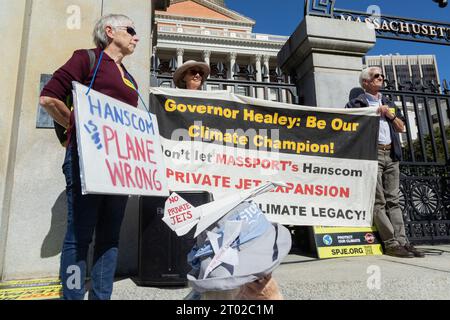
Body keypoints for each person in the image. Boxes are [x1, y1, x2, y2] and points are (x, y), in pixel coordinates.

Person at [39, 14, 140, 299]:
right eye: (131, 30)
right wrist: (79, 125)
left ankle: (101, 296)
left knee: (110, 238)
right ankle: (72, 295)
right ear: (109, 31)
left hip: (117, 167)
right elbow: (49, 98)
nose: (137, 37)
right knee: (79, 236)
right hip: (85, 160)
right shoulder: (87, 59)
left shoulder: (130, 79)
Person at [346, 67, 424, 258]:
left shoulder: (388, 102)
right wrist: (373, 112)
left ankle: (403, 242)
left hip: (392, 154)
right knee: (379, 201)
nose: (381, 78)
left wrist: (391, 115)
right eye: (376, 76)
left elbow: (401, 128)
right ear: (365, 82)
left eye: (381, 76)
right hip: (372, 156)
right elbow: (351, 128)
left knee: (394, 200)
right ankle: (391, 243)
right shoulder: (355, 104)